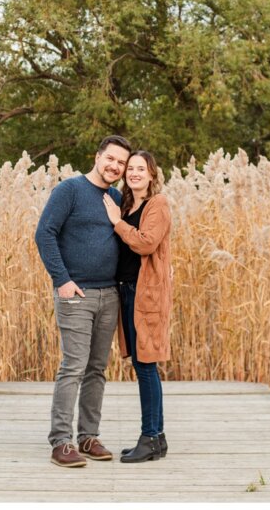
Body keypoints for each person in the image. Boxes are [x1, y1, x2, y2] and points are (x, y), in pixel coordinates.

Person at [35, 135, 132, 468]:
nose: (115, 166)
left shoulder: (117, 197)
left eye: (121, 163)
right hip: (77, 294)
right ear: (98, 157)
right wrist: (61, 279)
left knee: (96, 370)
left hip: (110, 294)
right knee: (73, 367)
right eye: (111, 159)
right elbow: (44, 233)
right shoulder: (70, 191)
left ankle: (88, 436)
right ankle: (61, 442)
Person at [101, 150, 173, 463]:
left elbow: (146, 242)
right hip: (128, 292)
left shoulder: (157, 204)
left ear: (152, 174)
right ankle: (157, 440)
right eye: (130, 168)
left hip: (146, 295)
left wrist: (117, 223)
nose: (133, 173)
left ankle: (149, 436)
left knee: (146, 365)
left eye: (140, 169)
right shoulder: (126, 203)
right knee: (143, 364)